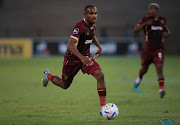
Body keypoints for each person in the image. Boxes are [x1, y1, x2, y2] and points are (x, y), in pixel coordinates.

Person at [42, 5, 106, 115]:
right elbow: (70, 45)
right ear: (85, 15)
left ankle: (103, 108)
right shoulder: (79, 27)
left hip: (86, 56)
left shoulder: (93, 26)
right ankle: (47, 75)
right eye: (91, 13)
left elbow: (92, 35)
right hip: (72, 59)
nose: (94, 15)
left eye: (95, 13)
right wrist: (81, 58)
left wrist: (99, 47)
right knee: (64, 84)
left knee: (100, 75)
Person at [133, 3, 171, 98]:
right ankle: (139, 77)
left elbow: (166, 30)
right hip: (147, 50)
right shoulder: (145, 19)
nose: (149, 11)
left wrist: (166, 34)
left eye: (152, 9)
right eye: (149, 9)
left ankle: (161, 89)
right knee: (144, 69)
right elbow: (135, 29)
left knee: (159, 69)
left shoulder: (162, 20)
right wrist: (145, 24)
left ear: (157, 11)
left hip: (158, 49)